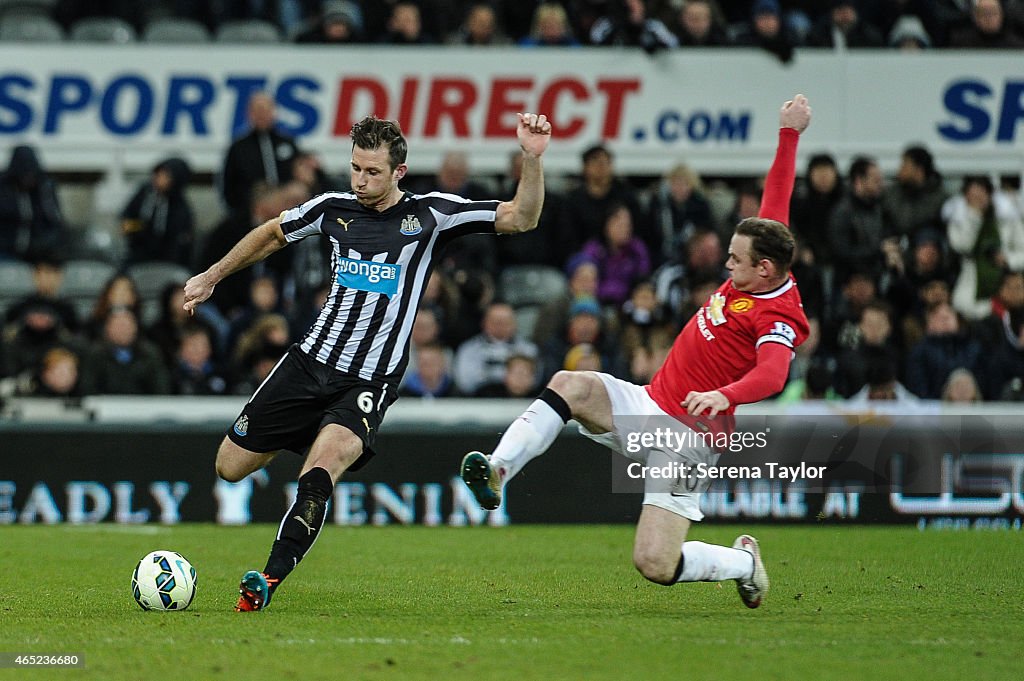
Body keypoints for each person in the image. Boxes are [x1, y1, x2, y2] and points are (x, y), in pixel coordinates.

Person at [183, 111, 552, 611]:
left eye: (372, 171)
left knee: (322, 470)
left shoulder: (431, 215)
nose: (360, 180)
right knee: (229, 467)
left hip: (368, 380)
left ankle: (267, 581)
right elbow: (271, 232)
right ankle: (297, 437)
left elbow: (521, 217)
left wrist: (530, 159)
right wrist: (211, 276)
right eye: (355, 167)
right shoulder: (333, 209)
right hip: (307, 365)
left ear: (399, 172)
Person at [459, 94, 812, 609]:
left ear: (765, 270)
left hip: (691, 435)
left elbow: (774, 374)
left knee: (654, 563)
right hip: (650, 405)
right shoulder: (763, 258)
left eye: (736, 260)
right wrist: (789, 134)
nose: (727, 265)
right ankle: (498, 469)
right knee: (569, 383)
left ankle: (744, 563)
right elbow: (775, 204)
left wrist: (724, 395)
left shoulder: (776, 315)